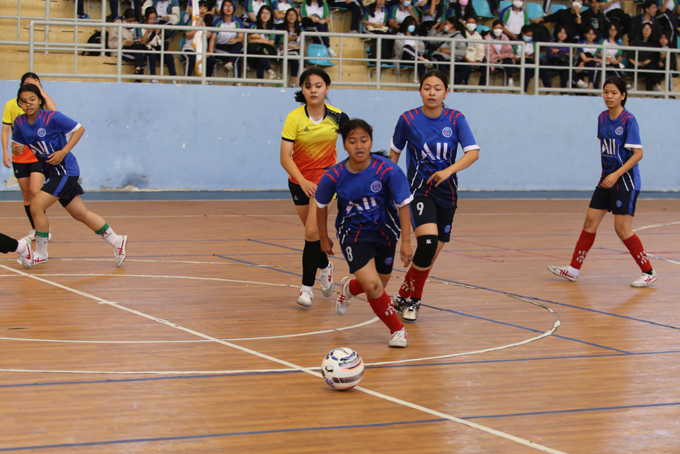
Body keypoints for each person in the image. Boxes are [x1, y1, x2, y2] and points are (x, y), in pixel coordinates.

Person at [548, 76, 658, 288]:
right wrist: (606, 175)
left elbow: (638, 154)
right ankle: (573, 270)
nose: (609, 96)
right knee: (590, 223)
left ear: (623, 96)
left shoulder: (629, 120)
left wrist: (616, 175)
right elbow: (607, 151)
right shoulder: (601, 118)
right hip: (606, 180)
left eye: (614, 93)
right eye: (606, 92)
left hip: (625, 181)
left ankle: (649, 272)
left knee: (622, 229)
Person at [389, 69, 480, 322]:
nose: (432, 92)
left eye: (438, 88)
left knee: (429, 255)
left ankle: (401, 295)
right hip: (418, 190)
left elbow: (473, 153)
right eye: (427, 87)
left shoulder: (456, 119)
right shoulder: (407, 119)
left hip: (447, 193)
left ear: (446, 92)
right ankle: (414, 302)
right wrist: (390, 183)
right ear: (420, 91)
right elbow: (394, 153)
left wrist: (448, 171)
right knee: (427, 244)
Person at [316, 119, 413, 347]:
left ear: (370, 142)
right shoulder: (334, 176)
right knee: (373, 287)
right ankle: (397, 331)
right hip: (353, 234)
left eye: (363, 140)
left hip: (385, 232)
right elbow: (321, 207)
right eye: (352, 141)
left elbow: (404, 205)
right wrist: (323, 236)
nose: (358, 146)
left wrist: (406, 242)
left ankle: (349, 288)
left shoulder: (388, 170)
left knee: (379, 283)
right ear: (344, 145)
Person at [11, 85, 128, 268]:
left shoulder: (52, 117)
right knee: (80, 213)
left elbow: (79, 129)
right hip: (51, 172)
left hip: (65, 171)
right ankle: (117, 240)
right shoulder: (19, 123)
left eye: (32, 99)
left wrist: (63, 152)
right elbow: (18, 143)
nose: (28, 104)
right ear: (19, 103)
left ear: (40, 100)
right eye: (24, 101)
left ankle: (41, 254)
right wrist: (16, 148)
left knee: (36, 206)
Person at [280, 68, 349, 307]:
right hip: (299, 183)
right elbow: (285, 157)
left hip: (327, 182)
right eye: (308, 86)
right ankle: (325, 264)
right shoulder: (294, 118)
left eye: (318, 85)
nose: (313, 90)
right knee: (314, 236)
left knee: (311, 232)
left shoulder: (338, 117)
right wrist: (303, 180)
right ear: (302, 89)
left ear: (327, 88)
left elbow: (354, 146)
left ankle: (306, 289)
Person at [2, 73, 57, 239]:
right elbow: (5, 129)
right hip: (20, 155)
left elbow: (53, 110)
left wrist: (39, 88)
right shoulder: (11, 105)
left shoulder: (41, 107)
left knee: (35, 191)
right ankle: (38, 230)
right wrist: (5, 151)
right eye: (27, 84)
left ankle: (43, 229)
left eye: (35, 84)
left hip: (38, 155)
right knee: (26, 195)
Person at [140, 7, 178, 82]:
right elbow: (142, 43)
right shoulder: (140, 27)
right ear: (145, 17)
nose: (152, 21)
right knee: (152, 56)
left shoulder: (158, 25)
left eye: (154, 19)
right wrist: (148, 32)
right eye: (150, 19)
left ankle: (174, 78)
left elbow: (161, 40)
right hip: (148, 50)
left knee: (169, 57)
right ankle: (153, 78)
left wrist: (160, 32)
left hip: (159, 49)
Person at [108, 8, 146, 80]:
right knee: (139, 51)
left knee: (140, 47)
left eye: (132, 21)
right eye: (129, 21)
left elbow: (137, 36)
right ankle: (139, 72)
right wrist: (124, 43)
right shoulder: (116, 25)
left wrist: (137, 40)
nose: (131, 23)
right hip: (121, 50)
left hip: (133, 47)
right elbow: (111, 44)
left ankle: (138, 71)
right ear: (124, 17)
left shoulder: (136, 24)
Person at [183, 1, 218, 78]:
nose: (202, 10)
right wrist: (197, 27)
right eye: (200, 8)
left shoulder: (207, 22)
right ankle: (187, 80)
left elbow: (208, 35)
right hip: (189, 48)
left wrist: (203, 25)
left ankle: (208, 81)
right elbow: (188, 36)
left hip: (202, 50)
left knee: (211, 59)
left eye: (204, 8)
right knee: (191, 57)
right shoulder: (190, 21)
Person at [514, 25, 552, 92]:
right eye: (527, 35)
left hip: (531, 61)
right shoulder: (516, 43)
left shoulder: (533, 44)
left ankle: (549, 91)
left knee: (543, 69)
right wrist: (522, 57)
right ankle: (524, 91)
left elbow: (535, 55)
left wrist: (531, 56)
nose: (529, 37)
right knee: (529, 67)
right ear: (522, 33)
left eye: (531, 36)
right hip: (518, 61)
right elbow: (512, 55)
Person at [213, 0, 244, 79]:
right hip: (220, 47)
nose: (228, 8)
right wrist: (210, 51)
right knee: (237, 56)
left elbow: (241, 37)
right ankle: (238, 81)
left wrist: (236, 40)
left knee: (239, 45)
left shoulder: (237, 21)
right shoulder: (217, 22)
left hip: (232, 46)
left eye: (230, 6)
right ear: (222, 9)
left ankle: (230, 64)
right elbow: (213, 39)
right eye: (225, 6)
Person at [248, 5, 279, 82]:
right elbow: (250, 40)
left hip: (267, 51)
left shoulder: (272, 28)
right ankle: (269, 71)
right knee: (259, 52)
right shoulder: (253, 25)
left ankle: (260, 83)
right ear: (259, 14)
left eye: (268, 13)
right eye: (263, 13)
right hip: (253, 51)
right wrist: (265, 41)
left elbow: (271, 43)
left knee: (260, 53)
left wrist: (259, 37)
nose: (265, 16)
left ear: (271, 15)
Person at [628, 22, 661, 91]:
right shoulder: (636, 41)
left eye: (649, 29)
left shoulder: (653, 43)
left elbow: (653, 56)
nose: (646, 31)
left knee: (649, 69)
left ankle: (649, 93)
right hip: (636, 66)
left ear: (651, 32)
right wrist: (636, 63)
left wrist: (646, 62)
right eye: (645, 29)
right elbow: (629, 56)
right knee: (649, 69)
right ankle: (657, 85)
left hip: (647, 65)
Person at [485, 19, 516, 86]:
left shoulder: (505, 37)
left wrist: (503, 57)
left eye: (500, 28)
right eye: (496, 28)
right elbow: (488, 53)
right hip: (493, 60)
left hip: (504, 59)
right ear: (492, 28)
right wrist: (499, 57)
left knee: (509, 60)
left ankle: (510, 82)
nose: (498, 30)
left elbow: (509, 51)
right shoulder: (487, 38)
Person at [456, 16, 485, 85]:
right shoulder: (461, 35)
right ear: (465, 24)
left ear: (476, 24)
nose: (471, 24)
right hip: (464, 59)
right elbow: (460, 51)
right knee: (466, 66)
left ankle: (481, 89)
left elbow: (480, 51)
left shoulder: (478, 37)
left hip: (475, 60)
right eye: (469, 22)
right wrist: (469, 62)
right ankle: (464, 87)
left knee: (486, 68)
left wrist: (478, 61)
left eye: (473, 22)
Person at [278, 8, 302, 86]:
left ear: (296, 16)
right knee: (296, 55)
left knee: (297, 56)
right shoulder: (281, 28)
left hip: (296, 51)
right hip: (284, 51)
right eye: (289, 15)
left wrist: (294, 47)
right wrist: (288, 40)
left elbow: (302, 45)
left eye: (293, 15)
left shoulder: (300, 30)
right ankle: (293, 83)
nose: (291, 17)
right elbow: (281, 47)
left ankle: (294, 83)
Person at [543, 25, 573, 90]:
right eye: (560, 32)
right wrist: (563, 51)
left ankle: (564, 92)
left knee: (564, 68)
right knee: (564, 66)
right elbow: (551, 55)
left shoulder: (568, 44)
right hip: (552, 63)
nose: (562, 35)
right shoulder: (551, 42)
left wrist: (559, 50)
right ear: (557, 33)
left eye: (564, 33)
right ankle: (576, 80)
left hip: (563, 64)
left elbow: (569, 54)